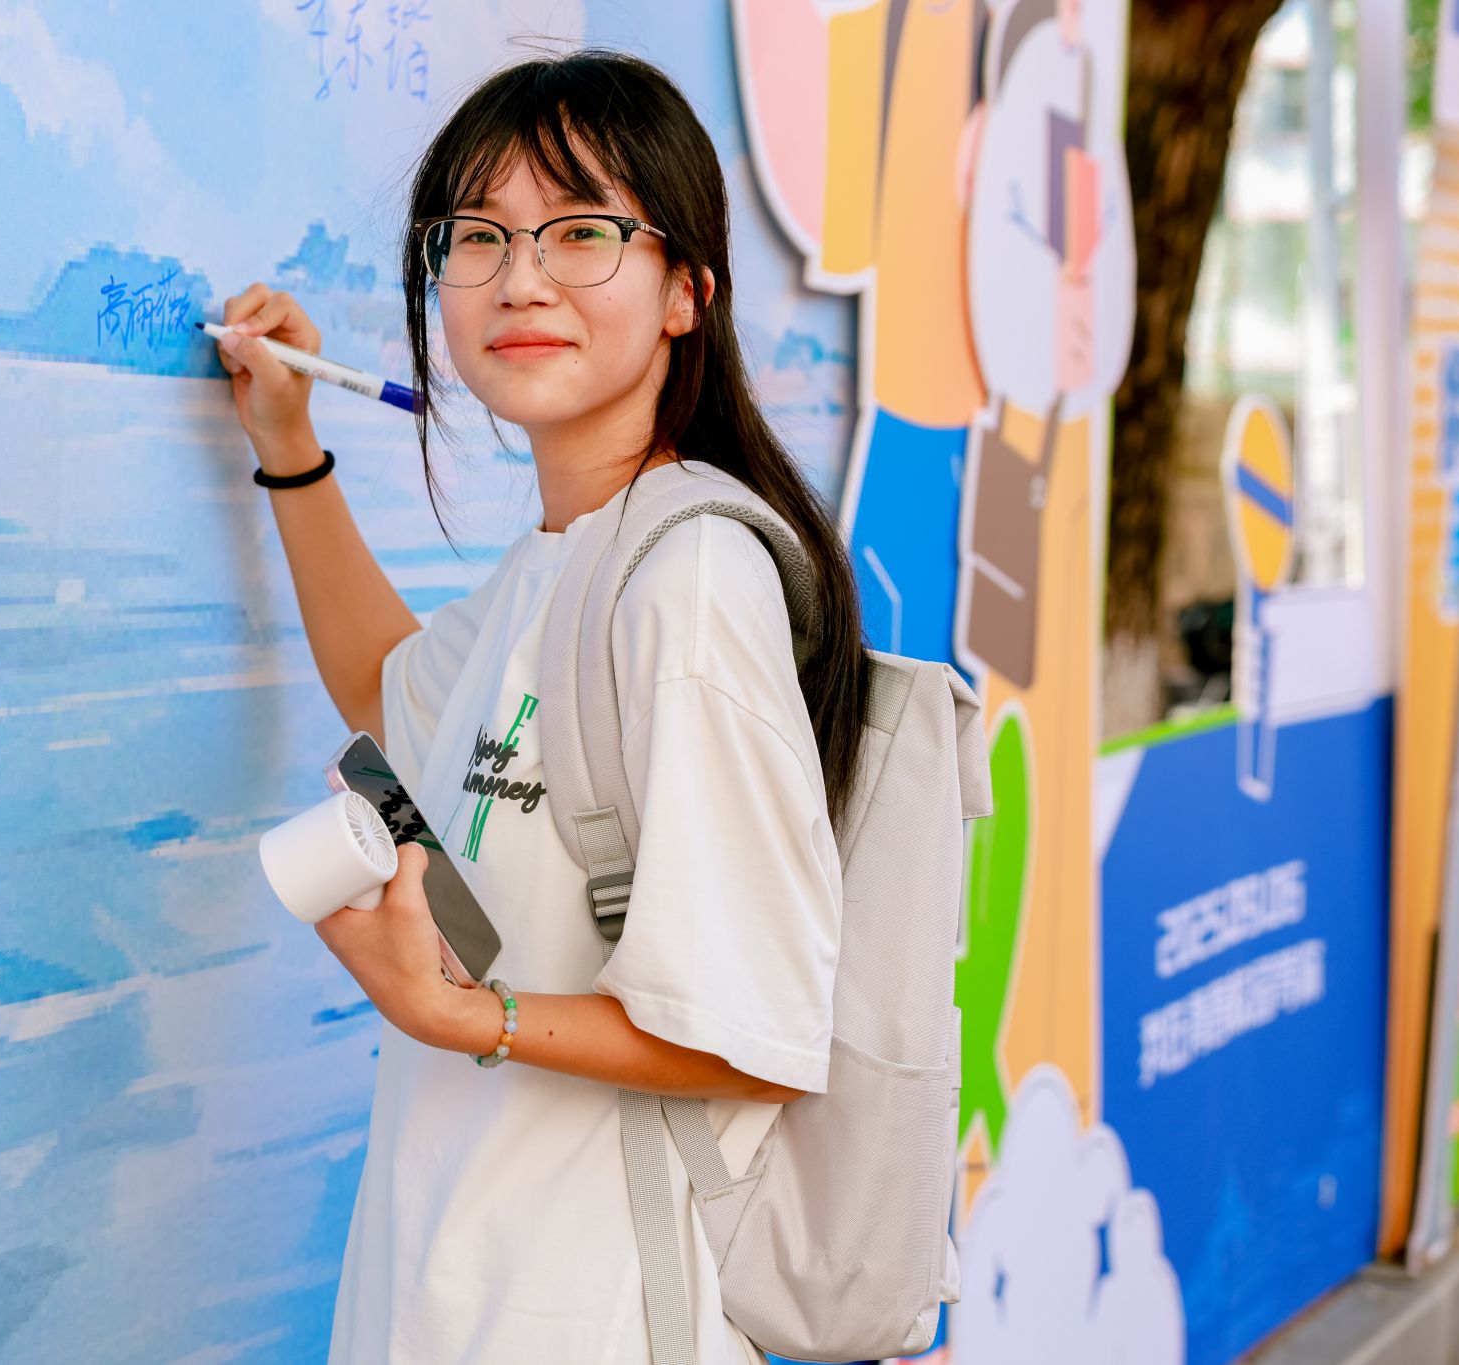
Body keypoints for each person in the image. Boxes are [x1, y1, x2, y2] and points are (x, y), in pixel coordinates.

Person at [211, 48, 868, 1365]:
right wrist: (287, 442)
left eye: (580, 231)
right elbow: (389, 689)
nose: (520, 278)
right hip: (450, 1299)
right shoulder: (563, 562)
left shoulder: (687, 583)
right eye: (479, 236)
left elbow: (757, 1036)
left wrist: (466, 1014)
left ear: (686, 290)